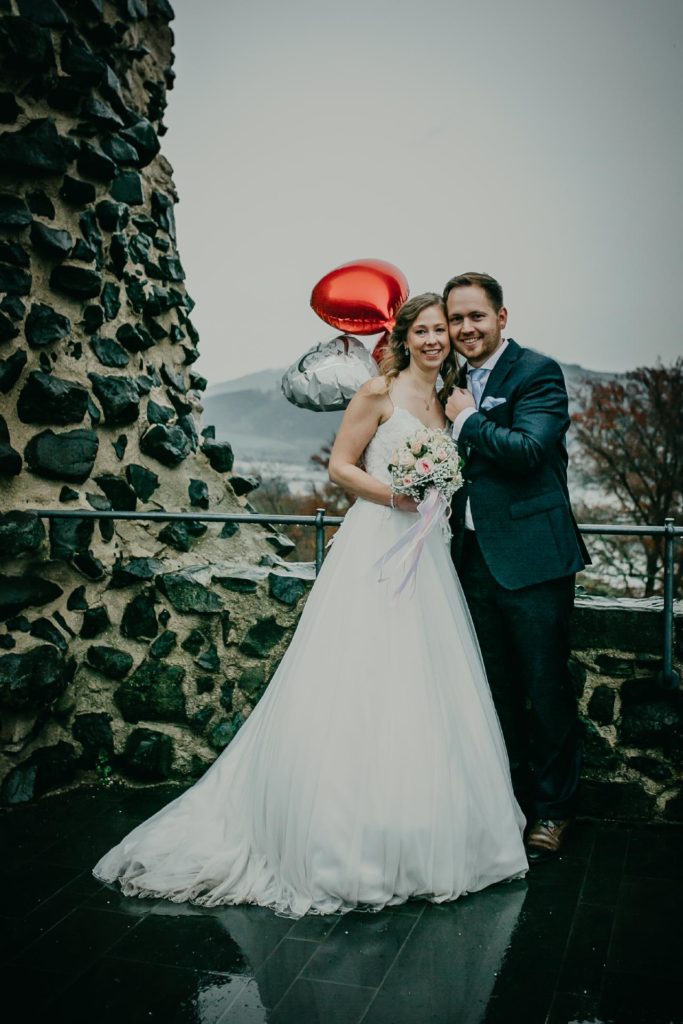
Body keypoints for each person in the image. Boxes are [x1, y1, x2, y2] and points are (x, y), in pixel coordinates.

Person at [93, 293, 528, 917]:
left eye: (443, 331)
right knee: (358, 681)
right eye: (424, 330)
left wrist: (433, 496)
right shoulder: (378, 392)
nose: (435, 340)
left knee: (424, 688)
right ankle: (342, 837)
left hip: (429, 557)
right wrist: (397, 495)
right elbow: (342, 468)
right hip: (378, 547)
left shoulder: (451, 401)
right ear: (404, 337)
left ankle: (421, 829)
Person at [444, 272, 589, 862]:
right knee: (493, 691)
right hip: (472, 561)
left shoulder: (537, 373)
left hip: (533, 561)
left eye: (476, 316)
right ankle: (503, 804)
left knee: (545, 689)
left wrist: (466, 418)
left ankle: (552, 812)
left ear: (502, 318)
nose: (464, 329)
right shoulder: (448, 379)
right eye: (456, 319)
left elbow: (530, 451)